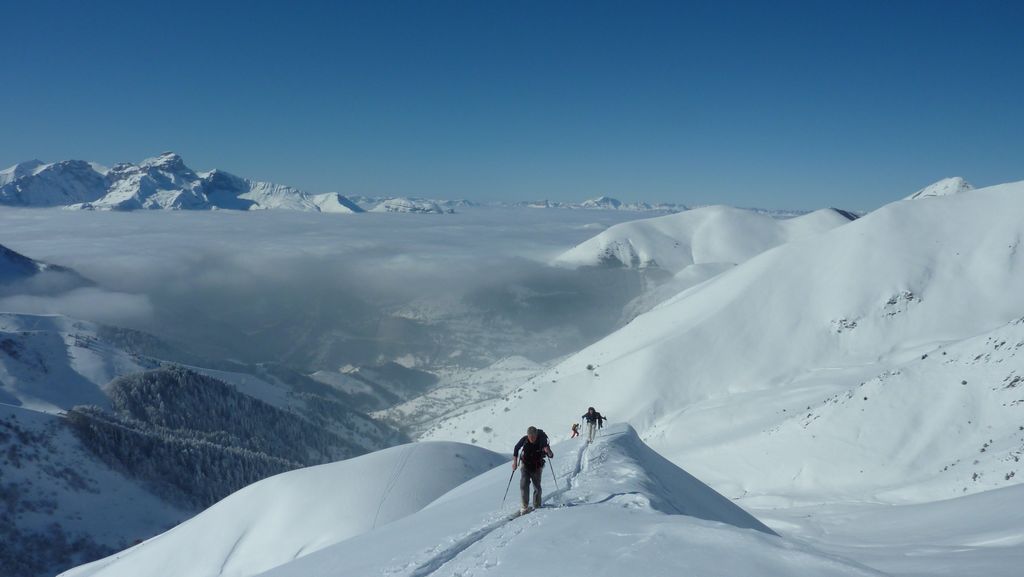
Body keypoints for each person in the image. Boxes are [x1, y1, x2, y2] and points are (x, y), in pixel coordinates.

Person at [512, 426, 554, 514]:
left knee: (537, 487)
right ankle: (524, 506)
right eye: (529, 436)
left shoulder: (542, 441)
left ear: (536, 435)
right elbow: (516, 448)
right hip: (525, 465)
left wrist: (548, 450)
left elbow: (551, 456)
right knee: (523, 484)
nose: (531, 438)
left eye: (533, 436)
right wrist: (515, 462)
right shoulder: (524, 440)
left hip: (537, 466)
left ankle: (537, 505)